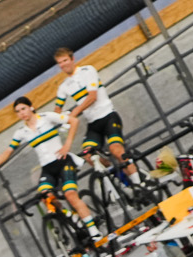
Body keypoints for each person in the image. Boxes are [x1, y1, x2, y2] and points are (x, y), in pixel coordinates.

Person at [0, 96, 99, 241]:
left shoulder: (47, 117)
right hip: (47, 168)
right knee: (46, 197)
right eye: (18, 112)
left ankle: (94, 231)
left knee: (70, 195)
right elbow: (8, 151)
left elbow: (73, 121)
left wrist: (67, 145)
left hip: (63, 161)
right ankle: (70, 216)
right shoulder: (21, 132)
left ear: (31, 107)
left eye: (23, 109)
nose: (22, 113)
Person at [52, 47, 135, 184]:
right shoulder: (64, 86)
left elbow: (92, 97)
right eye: (60, 62)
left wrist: (74, 113)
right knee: (89, 155)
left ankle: (140, 183)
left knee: (116, 150)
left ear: (72, 59)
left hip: (108, 116)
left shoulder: (88, 71)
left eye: (65, 60)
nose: (63, 64)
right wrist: (56, 120)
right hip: (93, 123)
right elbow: (57, 110)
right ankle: (123, 180)